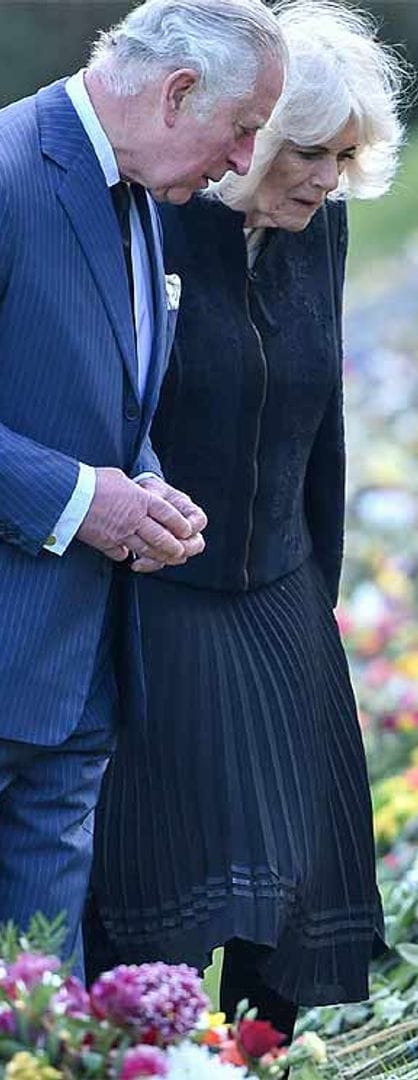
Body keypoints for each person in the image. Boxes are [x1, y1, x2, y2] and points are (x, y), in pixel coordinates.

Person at [88, 0, 407, 1035]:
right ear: (249, 133)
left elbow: (325, 429)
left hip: (280, 586)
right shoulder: (153, 215)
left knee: (298, 902)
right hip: (159, 595)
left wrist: (321, 596)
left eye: (345, 159)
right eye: (309, 152)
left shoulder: (323, 228)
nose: (325, 179)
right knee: (169, 891)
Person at [0, 0, 285, 978]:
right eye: (243, 128)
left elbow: (106, 402)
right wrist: (84, 502)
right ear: (176, 93)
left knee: (39, 999)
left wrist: (149, 491)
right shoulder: (5, 171)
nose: (246, 160)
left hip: (76, 681)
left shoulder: (145, 195)